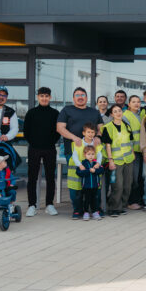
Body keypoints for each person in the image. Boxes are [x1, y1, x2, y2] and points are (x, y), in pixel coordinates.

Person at [57, 87, 104, 210]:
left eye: (83, 95)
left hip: (93, 152)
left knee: (93, 179)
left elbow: (101, 128)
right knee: (76, 181)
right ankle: (78, 209)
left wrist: (98, 136)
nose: (80, 97)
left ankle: (94, 208)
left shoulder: (94, 112)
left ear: (86, 98)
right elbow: (60, 128)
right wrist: (74, 138)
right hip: (73, 151)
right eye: (77, 95)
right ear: (73, 98)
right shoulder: (67, 110)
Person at [23, 87, 60, 217]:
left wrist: (50, 142)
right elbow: (26, 131)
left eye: (46, 96)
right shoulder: (31, 113)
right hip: (34, 148)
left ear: (50, 97)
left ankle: (49, 204)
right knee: (32, 177)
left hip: (50, 148)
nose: (44, 98)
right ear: (38, 97)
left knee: (50, 177)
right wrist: (34, 142)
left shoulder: (55, 113)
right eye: (42, 96)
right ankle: (32, 205)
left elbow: (58, 132)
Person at [103, 105, 135, 217]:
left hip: (128, 160)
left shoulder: (127, 125)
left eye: (119, 111)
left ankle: (121, 206)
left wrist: (132, 153)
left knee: (127, 185)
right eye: (115, 111)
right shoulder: (107, 127)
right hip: (116, 161)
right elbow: (107, 145)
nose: (118, 113)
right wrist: (110, 160)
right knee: (118, 185)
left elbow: (130, 141)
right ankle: (113, 208)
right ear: (112, 114)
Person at [65, 122, 102, 219]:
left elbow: (99, 154)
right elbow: (75, 156)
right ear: (83, 133)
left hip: (92, 173)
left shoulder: (96, 143)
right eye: (88, 132)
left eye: (92, 132)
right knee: (77, 194)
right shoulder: (78, 143)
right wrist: (80, 165)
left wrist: (98, 163)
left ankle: (95, 210)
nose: (90, 134)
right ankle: (78, 211)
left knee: (94, 194)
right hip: (80, 172)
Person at [123, 95, 143, 210]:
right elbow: (127, 135)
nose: (136, 104)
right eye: (134, 102)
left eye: (138, 102)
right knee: (133, 178)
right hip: (133, 151)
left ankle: (137, 200)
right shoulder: (126, 116)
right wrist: (131, 151)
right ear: (129, 104)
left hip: (140, 150)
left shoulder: (140, 115)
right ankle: (131, 201)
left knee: (139, 177)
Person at [75, 145, 104, 221]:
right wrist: (88, 171)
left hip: (95, 186)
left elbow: (101, 170)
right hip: (86, 186)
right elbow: (78, 172)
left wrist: (95, 171)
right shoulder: (82, 164)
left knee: (95, 199)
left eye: (92, 154)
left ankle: (95, 212)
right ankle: (86, 212)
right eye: (89, 154)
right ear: (85, 155)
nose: (91, 156)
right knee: (86, 200)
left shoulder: (96, 164)